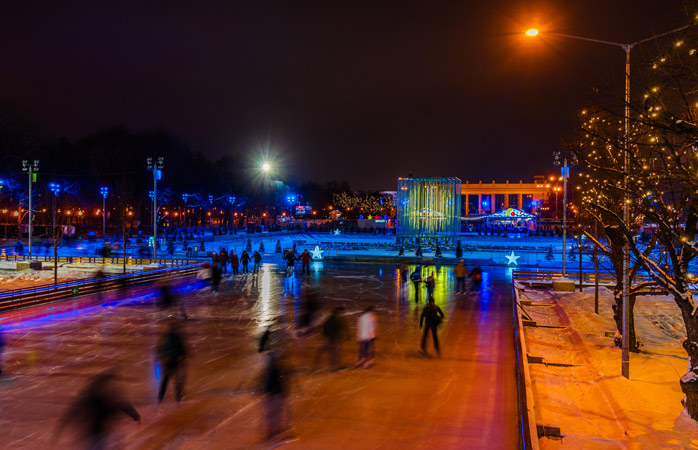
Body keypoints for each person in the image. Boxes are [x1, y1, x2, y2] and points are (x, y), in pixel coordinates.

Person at [54, 370, 140, 449]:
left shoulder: (89, 396)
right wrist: (135, 416)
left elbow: (72, 412)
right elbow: (122, 405)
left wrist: (60, 428)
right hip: (98, 432)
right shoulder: (105, 396)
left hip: (95, 432)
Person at [156, 321, 188, 403]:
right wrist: (183, 357)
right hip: (175, 361)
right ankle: (178, 397)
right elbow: (181, 348)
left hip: (167, 361)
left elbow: (160, 349)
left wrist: (161, 358)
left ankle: (161, 396)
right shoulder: (177, 338)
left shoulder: (165, 338)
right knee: (177, 379)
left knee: (166, 379)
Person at [315, 307, 349, 371]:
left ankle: (315, 366)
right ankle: (335, 367)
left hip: (328, 338)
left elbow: (321, 326)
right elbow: (337, 329)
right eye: (342, 312)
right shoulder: (336, 319)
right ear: (339, 312)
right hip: (333, 339)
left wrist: (322, 335)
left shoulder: (329, 318)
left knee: (323, 352)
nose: (342, 313)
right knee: (334, 353)